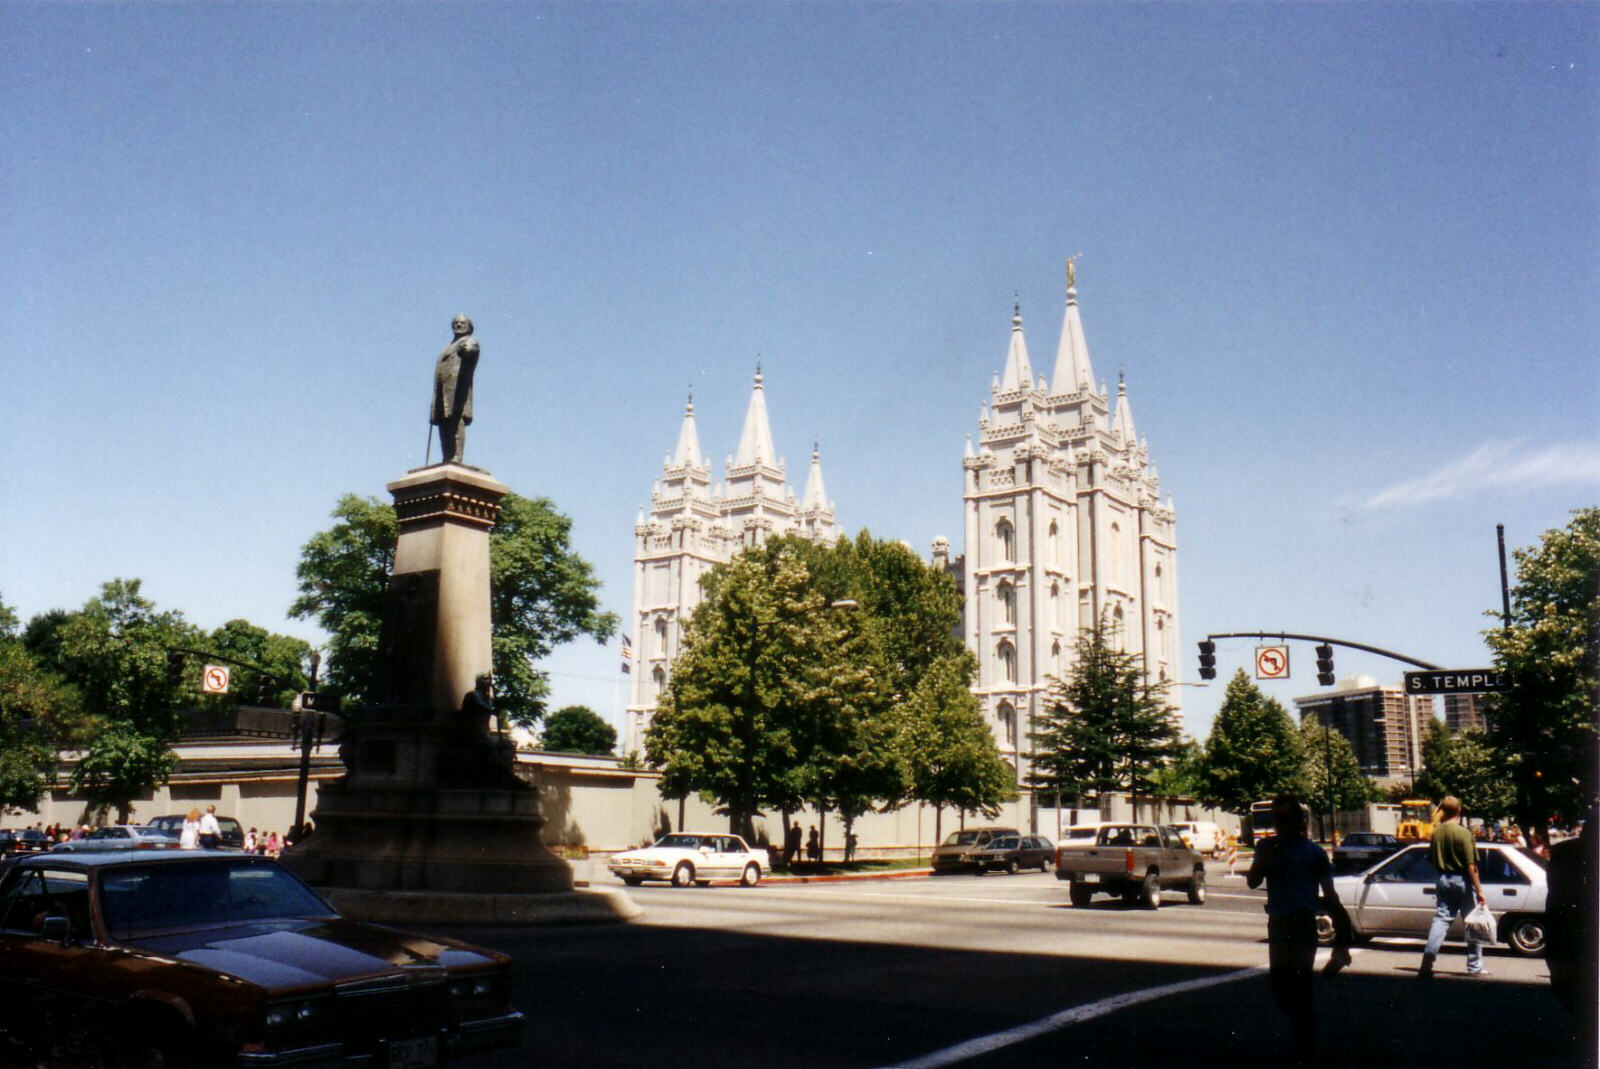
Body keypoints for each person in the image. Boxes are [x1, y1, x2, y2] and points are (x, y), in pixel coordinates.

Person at [1246, 794, 1351, 1066]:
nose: (1281, 824)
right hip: (1279, 925)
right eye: (1277, 819)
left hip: (1303, 924)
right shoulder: (1266, 846)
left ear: (1299, 821)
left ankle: (1307, 1051)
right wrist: (1265, 859)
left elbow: (1329, 895)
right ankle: (1302, 1036)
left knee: (1301, 988)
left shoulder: (1314, 853)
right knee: (1280, 989)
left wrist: (1342, 935)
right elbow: (1252, 881)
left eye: (1287, 818)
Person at [1419, 795, 1487, 978]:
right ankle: (1474, 967)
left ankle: (1428, 960)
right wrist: (1479, 890)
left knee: (1441, 920)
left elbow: (1432, 859)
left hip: (1442, 879)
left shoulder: (1436, 832)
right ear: (1459, 810)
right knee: (1472, 923)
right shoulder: (1463, 833)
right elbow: (1471, 866)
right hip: (1462, 881)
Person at [431, 315, 481, 464]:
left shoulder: (469, 341)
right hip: (442, 392)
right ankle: (447, 457)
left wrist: (467, 350)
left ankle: (456, 457)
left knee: (455, 420)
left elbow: (471, 350)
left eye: (462, 323)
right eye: (455, 322)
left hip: (458, 391)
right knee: (443, 422)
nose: (458, 325)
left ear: (469, 327)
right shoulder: (447, 347)